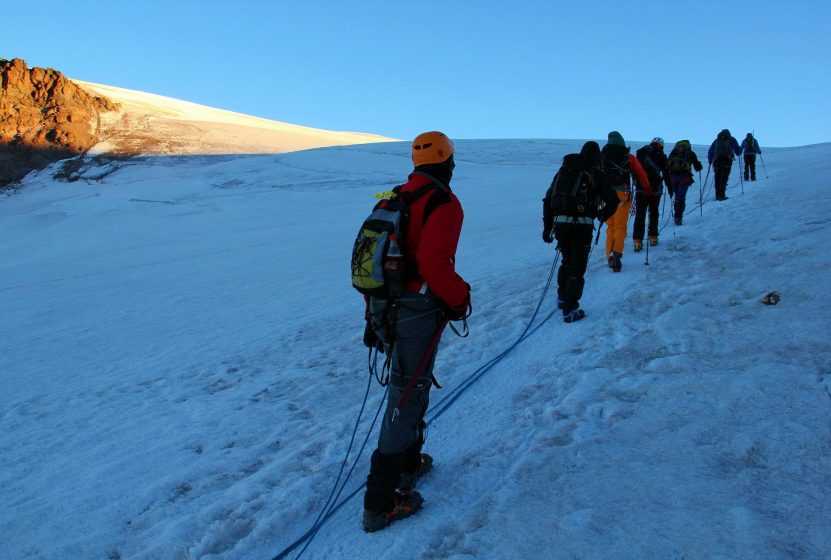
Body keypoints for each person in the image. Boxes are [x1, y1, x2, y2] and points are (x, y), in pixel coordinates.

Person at [361, 131, 470, 532]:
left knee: (412, 387)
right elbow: (434, 264)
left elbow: (372, 261)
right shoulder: (442, 201)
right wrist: (459, 299)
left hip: (384, 309)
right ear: (447, 162)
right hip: (417, 311)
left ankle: (408, 465)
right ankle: (380, 502)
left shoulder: (394, 197)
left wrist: (372, 316)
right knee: (405, 397)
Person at [542, 141, 619, 322]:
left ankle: (562, 297)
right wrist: (601, 215)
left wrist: (547, 227)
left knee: (567, 260)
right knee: (578, 266)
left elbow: (548, 199)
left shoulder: (564, 171)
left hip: (561, 225)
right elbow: (613, 201)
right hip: (582, 225)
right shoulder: (596, 173)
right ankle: (571, 308)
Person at [601, 131, 650, 272]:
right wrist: (646, 188)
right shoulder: (628, 157)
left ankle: (609, 255)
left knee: (610, 226)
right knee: (620, 226)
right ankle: (617, 255)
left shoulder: (602, 156)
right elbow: (641, 174)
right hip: (623, 193)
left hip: (605, 195)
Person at [633, 137, 668, 250]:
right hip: (655, 190)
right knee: (653, 213)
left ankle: (637, 241)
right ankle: (653, 237)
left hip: (641, 189)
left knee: (640, 214)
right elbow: (666, 172)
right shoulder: (661, 155)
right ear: (661, 145)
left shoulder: (640, 153)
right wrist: (671, 189)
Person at [666, 139, 703, 225]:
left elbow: (667, 164)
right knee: (681, 198)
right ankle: (678, 217)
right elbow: (697, 166)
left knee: (677, 197)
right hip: (684, 177)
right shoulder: (690, 152)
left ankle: (676, 216)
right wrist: (699, 166)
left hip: (673, 177)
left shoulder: (674, 151)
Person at [707, 129, 741, 201]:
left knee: (718, 177)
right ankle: (722, 195)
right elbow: (737, 151)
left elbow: (711, 150)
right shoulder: (732, 139)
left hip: (717, 161)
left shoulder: (717, 140)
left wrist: (710, 160)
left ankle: (717, 195)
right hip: (727, 161)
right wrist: (740, 150)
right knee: (724, 178)